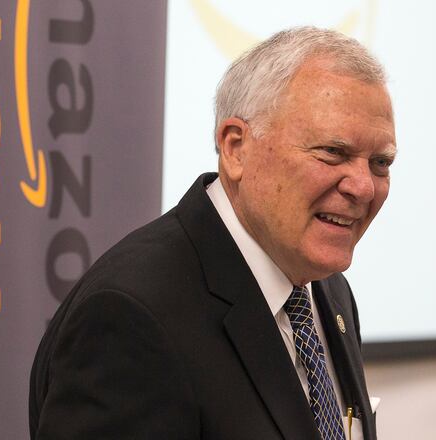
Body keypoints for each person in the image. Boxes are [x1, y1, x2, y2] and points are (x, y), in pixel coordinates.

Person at [29, 26, 396, 440]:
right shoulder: (132, 315)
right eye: (333, 152)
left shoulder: (327, 290)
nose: (363, 187)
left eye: (381, 163)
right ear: (235, 147)